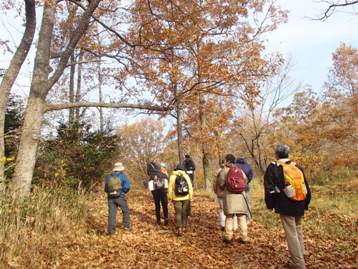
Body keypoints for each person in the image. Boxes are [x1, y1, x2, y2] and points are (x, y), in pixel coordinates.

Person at [264, 144, 311, 269]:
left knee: (292, 234)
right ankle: (301, 256)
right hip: (300, 202)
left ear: (276, 154)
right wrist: (306, 204)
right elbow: (306, 186)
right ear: (288, 154)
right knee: (298, 230)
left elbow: (269, 189)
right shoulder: (297, 166)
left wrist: (270, 205)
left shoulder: (273, 167)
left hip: (286, 205)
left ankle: (298, 264)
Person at [218, 154, 249, 244]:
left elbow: (221, 184)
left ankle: (228, 237)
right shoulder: (239, 170)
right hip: (240, 197)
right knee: (241, 217)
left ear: (228, 161)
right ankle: (244, 237)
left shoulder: (224, 171)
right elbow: (245, 180)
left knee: (229, 217)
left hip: (229, 197)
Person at [104, 162, 131, 235]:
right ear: (121, 169)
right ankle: (126, 226)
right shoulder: (123, 176)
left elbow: (106, 189)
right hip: (120, 196)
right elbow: (127, 187)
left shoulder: (108, 177)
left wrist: (111, 193)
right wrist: (122, 192)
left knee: (112, 214)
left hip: (110, 197)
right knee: (125, 211)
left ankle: (111, 231)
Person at [168, 164, 193, 236]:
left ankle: (179, 228)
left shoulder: (172, 176)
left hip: (176, 197)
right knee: (184, 212)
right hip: (186, 197)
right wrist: (190, 197)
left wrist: (170, 197)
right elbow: (190, 187)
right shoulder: (186, 175)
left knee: (178, 213)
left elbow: (170, 188)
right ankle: (184, 226)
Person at [213, 160, 238, 231]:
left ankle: (223, 224)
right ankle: (234, 226)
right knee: (233, 209)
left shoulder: (218, 172)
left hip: (221, 193)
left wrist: (216, 191)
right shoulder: (232, 170)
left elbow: (214, 183)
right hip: (231, 193)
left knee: (222, 209)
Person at [147, 160, 169, 225]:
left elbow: (150, 186)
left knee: (157, 205)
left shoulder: (151, 176)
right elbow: (168, 180)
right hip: (163, 191)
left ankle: (158, 220)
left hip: (155, 192)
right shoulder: (163, 174)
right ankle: (166, 218)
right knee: (164, 205)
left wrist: (153, 192)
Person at [235, 157, 254, 223]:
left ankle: (238, 220)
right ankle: (248, 219)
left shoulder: (234, 166)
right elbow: (251, 176)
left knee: (237, 204)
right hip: (245, 188)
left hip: (235, 189)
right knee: (247, 203)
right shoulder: (248, 166)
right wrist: (247, 182)